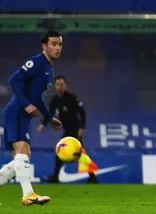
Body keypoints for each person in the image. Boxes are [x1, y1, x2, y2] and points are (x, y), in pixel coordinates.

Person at [0, 31, 63, 205]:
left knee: (24, 156)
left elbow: (37, 99)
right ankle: (28, 194)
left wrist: (49, 117)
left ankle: (28, 194)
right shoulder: (36, 62)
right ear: (44, 46)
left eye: (60, 44)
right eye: (53, 44)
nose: (57, 48)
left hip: (24, 115)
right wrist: (26, 104)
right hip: (16, 112)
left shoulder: (49, 69)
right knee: (22, 152)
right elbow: (13, 80)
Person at [38, 76, 99, 184]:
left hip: (74, 130)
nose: (60, 86)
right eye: (57, 84)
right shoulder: (55, 100)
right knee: (80, 153)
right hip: (67, 129)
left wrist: (82, 127)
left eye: (62, 84)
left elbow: (82, 113)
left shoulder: (72, 98)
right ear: (55, 86)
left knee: (60, 149)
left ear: (65, 85)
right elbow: (50, 114)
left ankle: (55, 177)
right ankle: (92, 177)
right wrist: (43, 124)